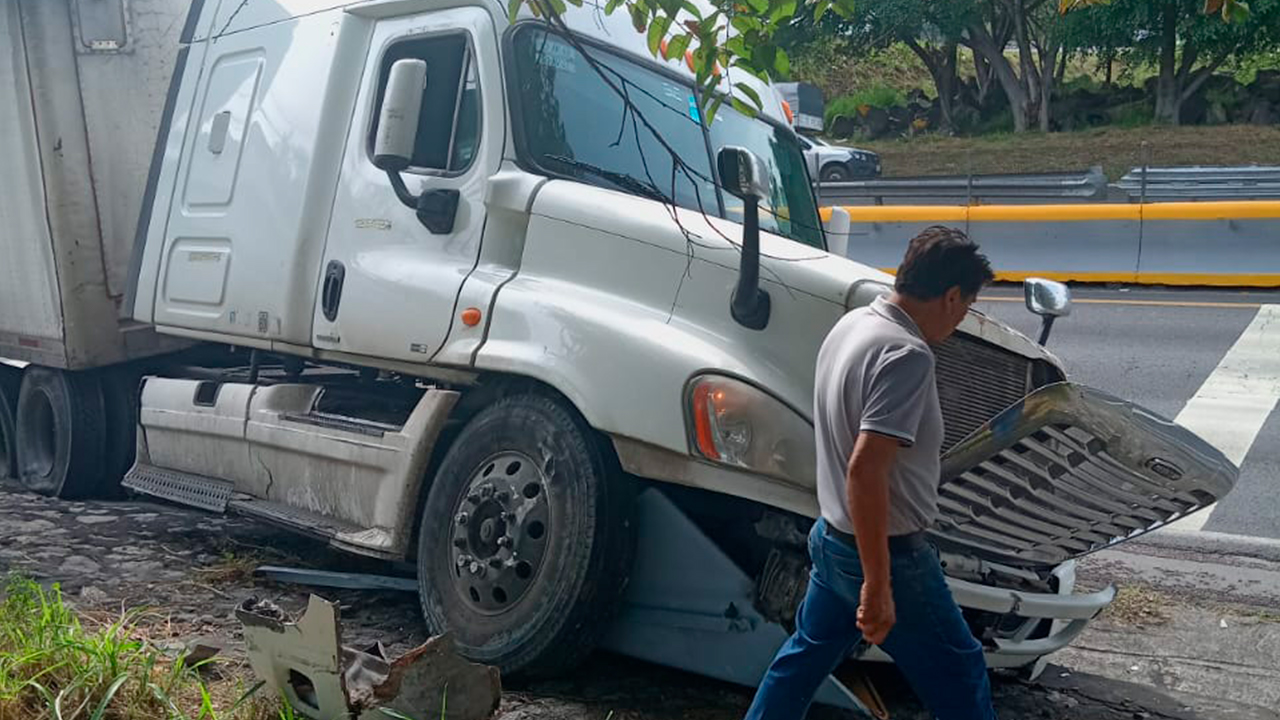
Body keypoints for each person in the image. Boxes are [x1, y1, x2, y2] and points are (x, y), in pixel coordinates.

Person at [744, 226, 997, 720]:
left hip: (832, 535)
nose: (960, 320)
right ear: (949, 297)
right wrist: (877, 585)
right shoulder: (907, 354)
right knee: (961, 670)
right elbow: (865, 469)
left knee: (803, 659)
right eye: (965, 308)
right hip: (886, 555)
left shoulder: (855, 324)